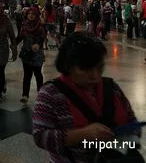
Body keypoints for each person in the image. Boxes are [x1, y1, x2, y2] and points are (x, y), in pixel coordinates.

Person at [33, 32, 141, 162]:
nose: (95, 76)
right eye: (86, 69)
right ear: (68, 66)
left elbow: (132, 122)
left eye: (99, 68)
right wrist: (82, 134)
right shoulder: (51, 94)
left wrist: (123, 136)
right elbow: (41, 136)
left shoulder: (111, 88)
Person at [16, 7, 46, 104]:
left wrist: (38, 44)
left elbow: (42, 37)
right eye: (29, 13)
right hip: (27, 53)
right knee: (27, 75)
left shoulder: (40, 25)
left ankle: (40, 94)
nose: (30, 15)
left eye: (33, 14)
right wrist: (13, 44)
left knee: (38, 74)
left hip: (37, 54)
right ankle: (25, 95)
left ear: (36, 15)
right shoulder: (24, 25)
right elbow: (20, 37)